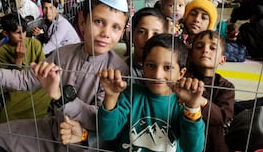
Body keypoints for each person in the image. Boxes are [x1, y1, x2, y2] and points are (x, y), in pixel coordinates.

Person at [0, 0, 130, 152]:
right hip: (53, 131)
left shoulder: (119, 71)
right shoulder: (64, 53)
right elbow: (24, 79)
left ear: (122, 32)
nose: (106, 33)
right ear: (82, 21)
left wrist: (61, 97)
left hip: (87, 142)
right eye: (98, 22)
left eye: (115, 27)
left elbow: (101, 123)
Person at [60, 33, 205, 152]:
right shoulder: (131, 94)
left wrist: (192, 107)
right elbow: (107, 133)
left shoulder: (182, 104)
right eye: (151, 65)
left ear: (181, 73)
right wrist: (111, 96)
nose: (157, 74)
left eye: (168, 67)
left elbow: (194, 149)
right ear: (143, 67)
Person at [0, 13, 51, 123]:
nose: (22, 36)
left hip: (38, 86)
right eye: (17, 33)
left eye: (24, 32)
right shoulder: (2, 51)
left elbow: (43, 71)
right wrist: (18, 60)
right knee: (6, 119)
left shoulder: (34, 44)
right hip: (18, 91)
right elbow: (10, 85)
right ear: (6, 33)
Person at [185, 30, 235, 152]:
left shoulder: (226, 86)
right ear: (191, 56)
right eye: (199, 46)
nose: (205, 50)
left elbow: (224, 116)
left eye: (212, 48)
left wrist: (199, 101)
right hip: (186, 138)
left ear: (222, 60)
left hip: (212, 144)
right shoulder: (185, 79)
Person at [128, 7, 168, 79]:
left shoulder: (172, 72)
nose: (148, 39)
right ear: (132, 35)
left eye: (155, 34)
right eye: (142, 32)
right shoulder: (122, 70)